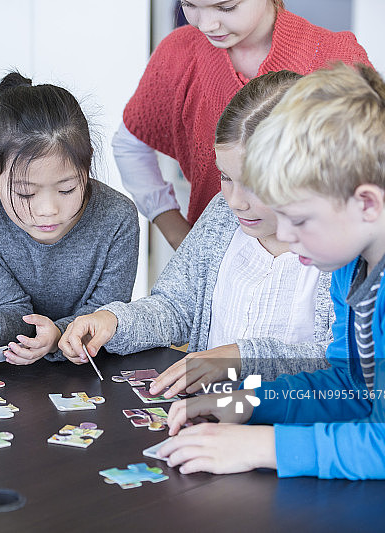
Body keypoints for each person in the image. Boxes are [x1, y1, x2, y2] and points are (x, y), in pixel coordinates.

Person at [163, 63, 385, 480]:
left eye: (299, 219)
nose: (288, 239)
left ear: (366, 203)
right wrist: (248, 402)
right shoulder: (350, 258)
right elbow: (349, 388)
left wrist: (264, 445)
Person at [59, 70, 332, 396]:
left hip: (289, 433)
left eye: (254, 185)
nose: (234, 201)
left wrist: (238, 357)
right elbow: (175, 307)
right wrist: (113, 322)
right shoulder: (222, 216)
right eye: (225, 177)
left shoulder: (344, 252)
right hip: (210, 420)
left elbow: (347, 366)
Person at [116, 0, 371, 249]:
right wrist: (177, 234)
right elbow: (130, 146)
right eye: (189, 4)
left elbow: (373, 170)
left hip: (317, 265)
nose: (206, 25)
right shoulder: (179, 53)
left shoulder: (337, 60)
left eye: (226, 7)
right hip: (213, 262)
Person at [0, 72, 139, 370]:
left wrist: (57, 334)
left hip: (95, 365)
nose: (48, 210)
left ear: (86, 166)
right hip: (20, 372)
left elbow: (105, 314)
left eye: (67, 189)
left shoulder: (117, 217)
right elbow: (10, 306)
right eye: (25, 192)